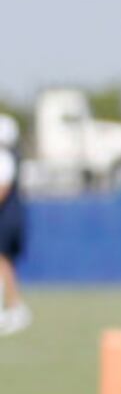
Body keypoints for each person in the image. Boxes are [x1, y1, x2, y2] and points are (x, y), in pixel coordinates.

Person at [0, 113, 28, 335]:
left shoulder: (4, 157)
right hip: (10, 215)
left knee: (3, 260)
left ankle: (16, 307)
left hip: (6, 216)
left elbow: (2, 190)